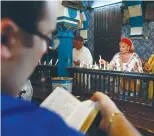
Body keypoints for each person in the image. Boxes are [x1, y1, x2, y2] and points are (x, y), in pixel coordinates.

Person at [1, 1, 141, 136]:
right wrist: (114, 115)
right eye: (45, 37)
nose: (45, 50)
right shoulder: (41, 126)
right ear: (7, 37)